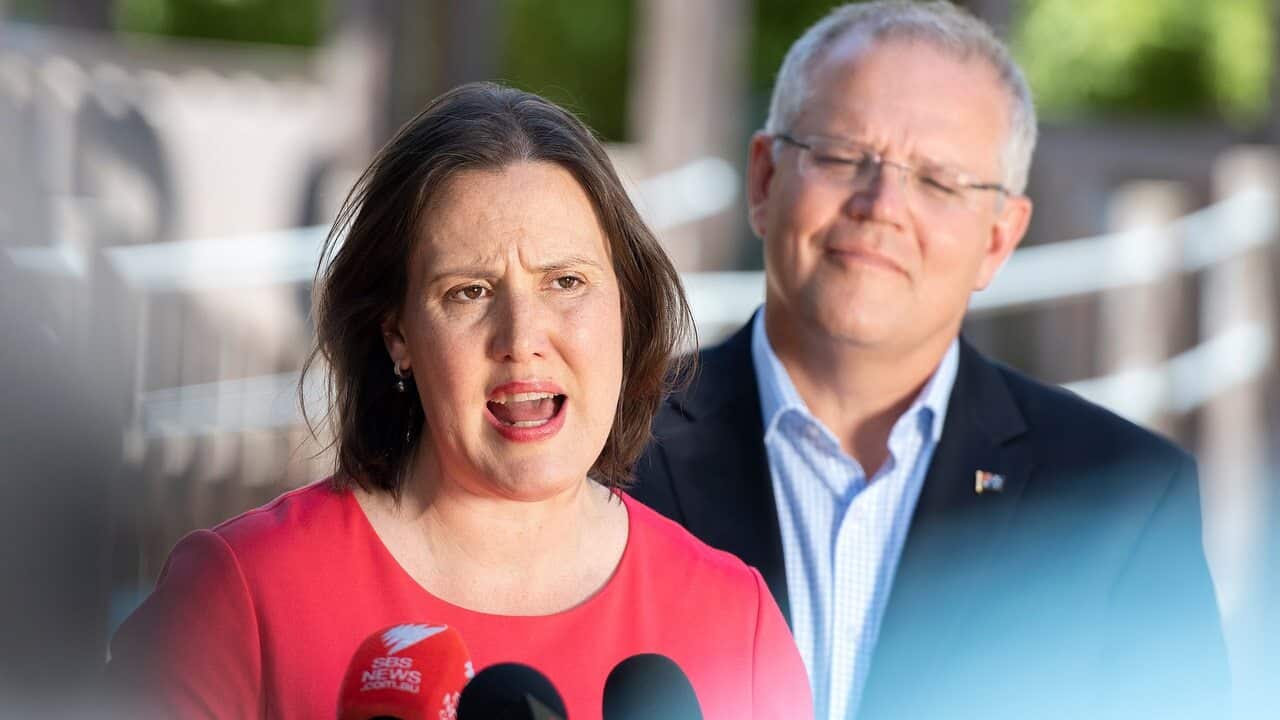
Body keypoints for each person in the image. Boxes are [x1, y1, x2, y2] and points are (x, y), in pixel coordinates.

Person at [106, 82, 813, 720]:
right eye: (468, 292)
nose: (523, 338)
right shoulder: (243, 596)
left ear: (626, 309)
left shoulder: (734, 619)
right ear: (398, 337)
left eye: (565, 282)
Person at [631, 3, 1228, 719]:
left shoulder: (1121, 500)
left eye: (940, 181)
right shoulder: (607, 445)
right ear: (764, 180)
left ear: (999, 240)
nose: (881, 205)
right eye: (844, 154)